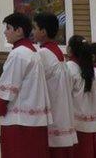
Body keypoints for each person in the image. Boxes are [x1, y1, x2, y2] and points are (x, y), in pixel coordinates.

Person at [0, 13, 50, 158]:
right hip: (34, 117)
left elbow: (9, 84)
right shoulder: (33, 51)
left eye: (8, 28)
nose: (5, 32)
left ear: (19, 31)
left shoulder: (18, 54)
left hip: (19, 120)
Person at [33, 13, 77, 156]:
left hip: (52, 108)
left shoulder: (43, 53)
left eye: (35, 28)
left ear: (43, 31)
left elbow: (35, 84)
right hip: (62, 107)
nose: (32, 32)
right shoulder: (58, 51)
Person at [66, 36, 96, 158]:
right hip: (89, 121)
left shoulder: (69, 67)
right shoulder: (89, 68)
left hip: (75, 122)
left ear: (69, 49)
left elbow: (64, 94)